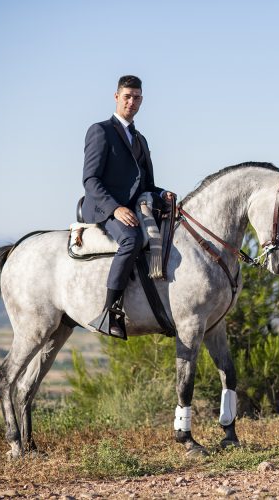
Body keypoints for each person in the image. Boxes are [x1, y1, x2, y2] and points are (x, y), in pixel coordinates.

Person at [82, 75, 175, 338]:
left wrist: (164, 194)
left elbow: (147, 183)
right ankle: (109, 311)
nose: (131, 102)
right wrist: (115, 209)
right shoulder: (100, 131)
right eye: (127, 97)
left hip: (135, 208)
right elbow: (90, 180)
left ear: (141, 101)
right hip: (104, 209)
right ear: (116, 97)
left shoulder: (141, 140)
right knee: (132, 240)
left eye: (136, 98)